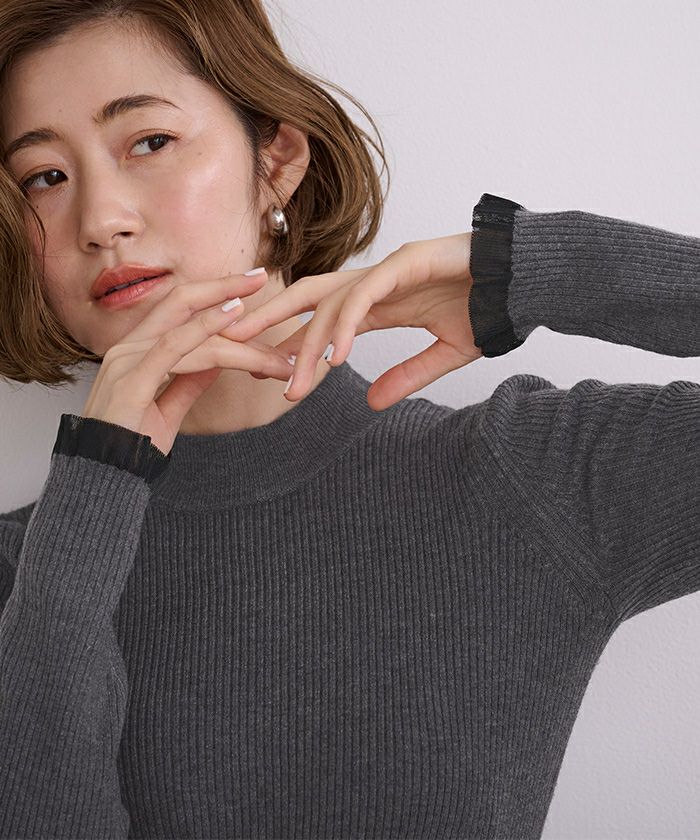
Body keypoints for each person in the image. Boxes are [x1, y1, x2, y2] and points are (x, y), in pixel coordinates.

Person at [0, 2, 697, 840]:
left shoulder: (527, 481)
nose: (100, 220)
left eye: (150, 141)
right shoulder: (23, 581)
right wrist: (89, 507)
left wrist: (524, 269)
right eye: (45, 177)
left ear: (277, 162)